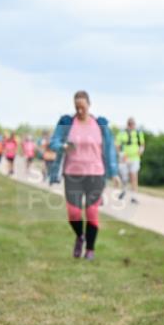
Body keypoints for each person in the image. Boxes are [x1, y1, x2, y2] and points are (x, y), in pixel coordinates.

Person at [47, 91, 119, 260]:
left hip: (96, 174)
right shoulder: (67, 123)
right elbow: (53, 142)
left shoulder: (100, 125)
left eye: (83, 107)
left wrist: (114, 173)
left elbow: (109, 150)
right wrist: (64, 146)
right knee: (73, 213)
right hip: (72, 174)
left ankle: (90, 250)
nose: (80, 111)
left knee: (92, 212)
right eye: (77, 107)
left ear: (89, 105)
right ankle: (80, 237)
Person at [116, 117, 145, 203]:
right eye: (130, 124)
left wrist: (141, 150)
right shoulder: (122, 133)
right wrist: (121, 154)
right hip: (124, 158)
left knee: (134, 176)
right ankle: (124, 190)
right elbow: (117, 144)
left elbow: (142, 144)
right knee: (124, 177)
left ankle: (134, 196)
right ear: (127, 124)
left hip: (135, 158)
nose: (131, 126)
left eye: (133, 124)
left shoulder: (138, 133)